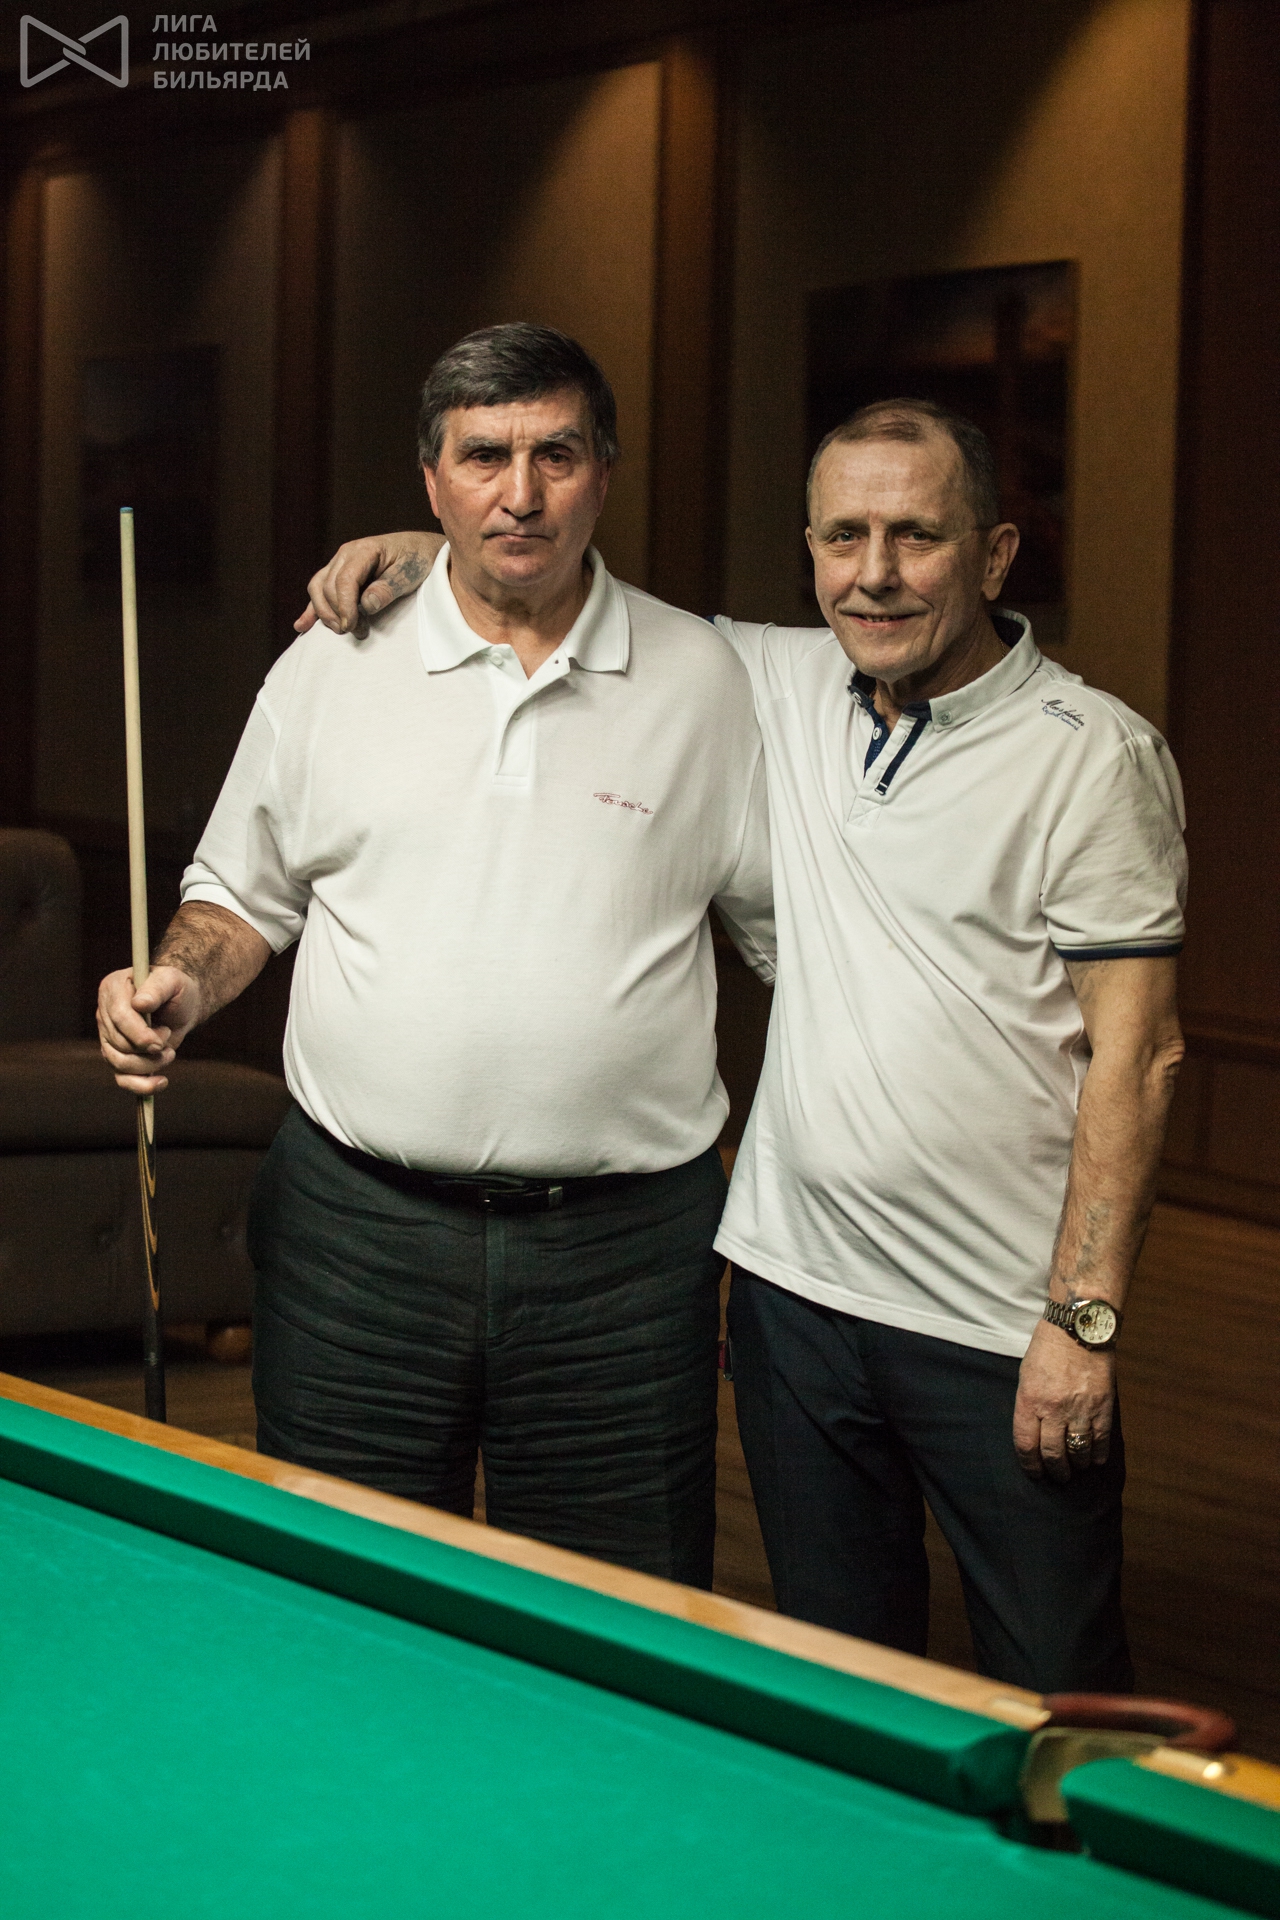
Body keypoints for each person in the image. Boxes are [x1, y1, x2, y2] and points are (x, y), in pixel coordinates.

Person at [311, 398, 1187, 1692]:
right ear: (810, 551)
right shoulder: (772, 678)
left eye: (916, 536)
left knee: (1064, 1697)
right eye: (842, 537)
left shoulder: (1094, 756)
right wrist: (426, 547)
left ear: (995, 555)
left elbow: (1141, 1057)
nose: (874, 574)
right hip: (792, 1303)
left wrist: (1082, 1324)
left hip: (1000, 1324)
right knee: (840, 1684)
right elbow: (571, 597)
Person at [97, 323, 774, 1589]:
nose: (520, 493)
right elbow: (237, 898)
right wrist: (179, 981)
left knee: (609, 1619)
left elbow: (788, 941)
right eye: (483, 458)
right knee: (342, 1596)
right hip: (358, 1233)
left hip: (622, 1260)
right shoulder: (327, 667)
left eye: (554, 454)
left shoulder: (709, 680)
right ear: (430, 479)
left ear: (604, 472)